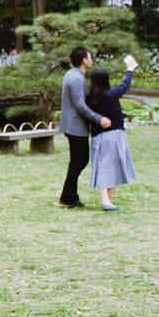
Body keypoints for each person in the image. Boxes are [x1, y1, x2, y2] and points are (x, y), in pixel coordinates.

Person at [59, 46, 112, 208]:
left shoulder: (72, 74)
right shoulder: (77, 79)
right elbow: (80, 105)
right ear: (84, 60)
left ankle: (68, 196)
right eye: (89, 57)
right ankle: (69, 197)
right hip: (75, 125)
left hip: (72, 124)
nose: (91, 60)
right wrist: (99, 118)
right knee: (79, 161)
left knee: (77, 161)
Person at [86, 55, 138, 211]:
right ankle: (106, 200)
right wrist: (130, 69)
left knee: (104, 167)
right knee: (112, 167)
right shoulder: (111, 95)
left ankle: (107, 200)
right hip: (113, 136)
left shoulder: (89, 99)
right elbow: (125, 84)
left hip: (97, 137)